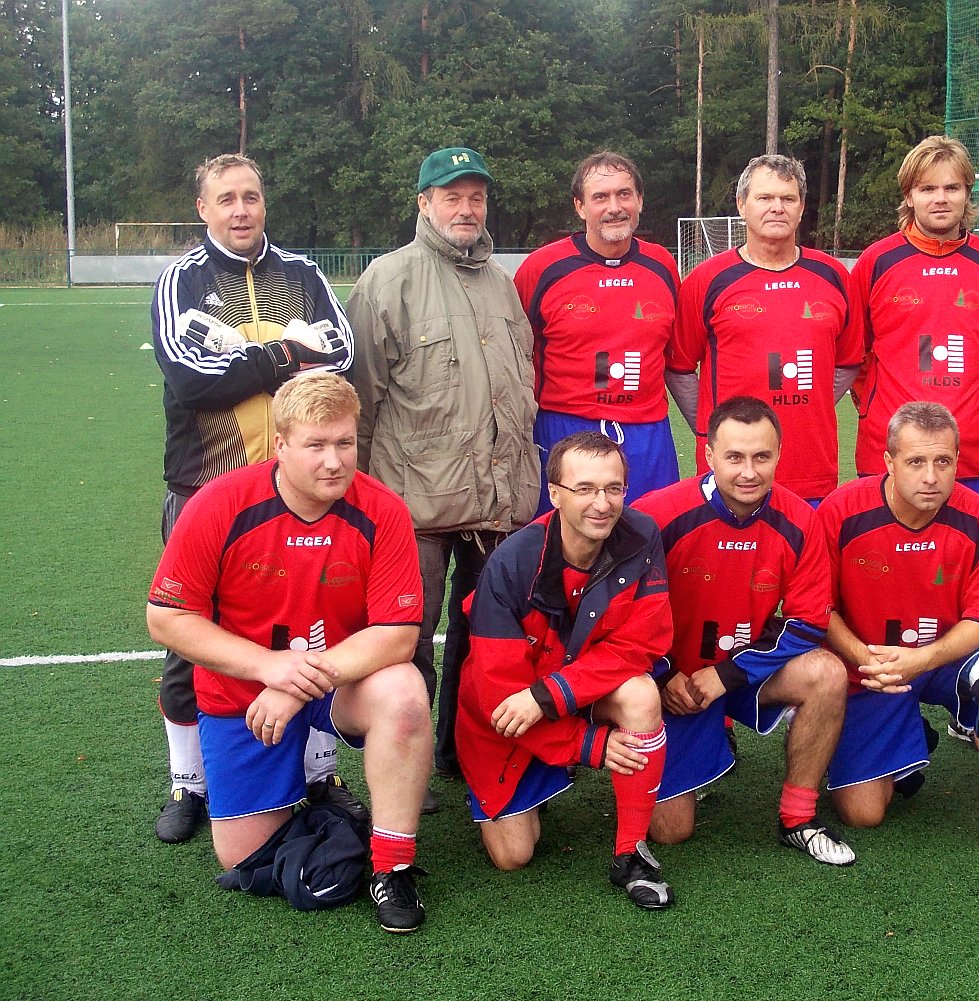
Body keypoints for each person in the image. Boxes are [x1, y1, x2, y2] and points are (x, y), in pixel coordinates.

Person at [147, 374, 434, 932]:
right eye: (315, 445)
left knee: (403, 691)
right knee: (242, 857)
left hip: (338, 682)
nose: (334, 461)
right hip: (246, 691)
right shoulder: (219, 503)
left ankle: (392, 865)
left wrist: (297, 680)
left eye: (345, 443)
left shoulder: (383, 510)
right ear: (280, 445)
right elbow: (166, 618)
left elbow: (397, 634)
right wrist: (270, 668)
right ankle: (320, 810)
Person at [150, 152, 357, 844]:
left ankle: (320, 774)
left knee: (316, 625)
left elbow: (341, 359)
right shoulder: (183, 279)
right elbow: (190, 378)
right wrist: (282, 354)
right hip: (207, 488)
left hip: (303, 491)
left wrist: (245, 357)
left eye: (251, 197)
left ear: (264, 203)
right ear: (203, 209)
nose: (241, 210)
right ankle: (188, 782)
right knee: (193, 636)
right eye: (226, 199)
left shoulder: (302, 274)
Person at [347, 147, 540, 798]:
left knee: (485, 638)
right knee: (406, 639)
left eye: (475, 197)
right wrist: (360, 499)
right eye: (451, 197)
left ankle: (464, 749)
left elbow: (520, 386)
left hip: (497, 500)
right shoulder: (387, 280)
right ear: (423, 203)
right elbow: (361, 399)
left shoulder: (502, 284)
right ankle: (408, 758)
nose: (466, 209)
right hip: (414, 503)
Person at [818, 402, 979, 866]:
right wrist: (865, 658)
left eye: (942, 461)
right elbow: (817, 608)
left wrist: (920, 661)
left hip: (943, 661)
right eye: (915, 462)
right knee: (863, 814)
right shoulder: (841, 511)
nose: (930, 477)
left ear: (957, 460)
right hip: (871, 668)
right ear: (888, 462)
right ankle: (912, 736)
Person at [456, 433, 676, 910]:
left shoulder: (641, 536)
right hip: (507, 713)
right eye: (585, 489)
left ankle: (631, 852)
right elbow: (498, 697)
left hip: (565, 693)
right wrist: (587, 745)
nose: (602, 503)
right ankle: (530, 783)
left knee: (641, 695)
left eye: (613, 488)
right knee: (513, 855)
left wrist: (551, 694)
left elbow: (643, 642)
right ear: (554, 494)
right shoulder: (512, 561)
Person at [634, 396, 855, 866]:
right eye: (734, 457)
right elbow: (621, 616)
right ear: (709, 455)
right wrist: (663, 674)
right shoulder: (658, 515)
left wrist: (727, 675)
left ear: (779, 455)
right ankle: (695, 749)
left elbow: (809, 622)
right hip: (675, 685)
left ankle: (798, 817)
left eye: (761, 457)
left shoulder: (799, 519)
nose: (749, 472)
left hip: (742, 673)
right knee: (671, 832)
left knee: (827, 672)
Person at [668, 155, 862, 502]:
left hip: (811, 473)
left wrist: (811, 403)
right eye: (764, 198)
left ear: (801, 207)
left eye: (788, 198)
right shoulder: (707, 280)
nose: (777, 208)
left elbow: (849, 362)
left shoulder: (834, 276)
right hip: (730, 475)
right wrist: (715, 427)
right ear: (742, 205)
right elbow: (679, 367)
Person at [849, 136, 979, 531]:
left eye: (951, 188)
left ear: (966, 193)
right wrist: (878, 408)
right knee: (883, 563)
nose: (940, 199)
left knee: (978, 560)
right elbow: (856, 355)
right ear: (909, 196)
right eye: (927, 189)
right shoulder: (876, 261)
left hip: (972, 457)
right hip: (890, 453)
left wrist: (974, 408)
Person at [514, 151, 681, 511]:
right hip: (563, 428)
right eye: (600, 197)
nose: (614, 207)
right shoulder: (542, 268)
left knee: (651, 533)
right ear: (579, 206)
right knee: (564, 537)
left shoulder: (662, 266)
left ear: (640, 200)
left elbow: (675, 356)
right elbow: (516, 356)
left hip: (646, 431)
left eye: (624, 194)